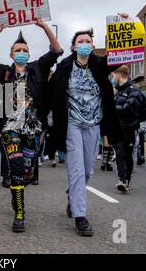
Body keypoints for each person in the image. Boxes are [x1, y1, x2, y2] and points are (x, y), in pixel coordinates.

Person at [0, 19, 62, 233]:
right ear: (11, 55)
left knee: (27, 172)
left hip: (33, 129)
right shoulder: (4, 72)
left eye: (25, 49)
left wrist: (44, 27)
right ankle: (20, 213)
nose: (22, 52)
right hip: (10, 129)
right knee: (15, 168)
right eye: (18, 49)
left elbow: (56, 50)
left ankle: (18, 194)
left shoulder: (37, 69)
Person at [50, 23, 125, 237]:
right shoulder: (64, 67)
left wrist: (125, 24)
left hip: (93, 125)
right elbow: (50, 93)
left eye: (88, 42)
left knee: (87, 170)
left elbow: (124, 53)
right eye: (80, 42)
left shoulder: (100, 65)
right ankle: (80, 215)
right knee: (76, 169)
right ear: (73, 47)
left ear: (93, 46)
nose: (84, 44)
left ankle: (73, 197)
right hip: (72, 124)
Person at [111, 65, 146, 192]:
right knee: (119, 153)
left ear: (119, 75)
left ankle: (127, 179)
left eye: (113, 75)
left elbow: (129, 107)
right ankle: (122, 180)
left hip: (130, 128)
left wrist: (136, 122)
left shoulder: (134, 91)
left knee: (127, 154)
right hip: (117, 128)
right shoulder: (116, 91)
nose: (112, 78)